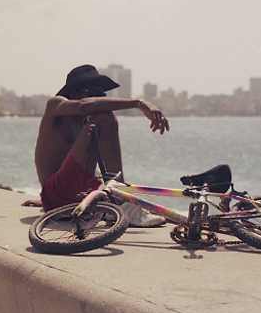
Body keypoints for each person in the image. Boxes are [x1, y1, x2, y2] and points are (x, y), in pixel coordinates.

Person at [34, 64, 169, 212]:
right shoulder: (55, 106)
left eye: (100, 95)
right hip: (55, 193)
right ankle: (122, 202)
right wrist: (139, 104)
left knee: (104, 120)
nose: (97, 99)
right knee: (105, 117)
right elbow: (83, 106)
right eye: (92, 93)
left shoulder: (86, 124)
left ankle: (120, 198)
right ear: (73, 94)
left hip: (77, 197)